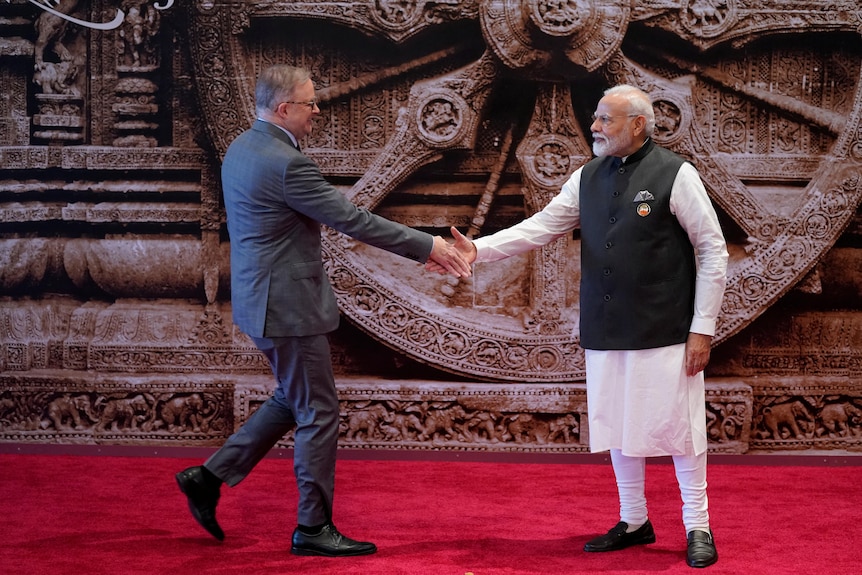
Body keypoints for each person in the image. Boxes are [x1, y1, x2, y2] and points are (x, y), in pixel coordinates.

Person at [175, 64, 472, 557]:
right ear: (283, 108)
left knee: (295, 399)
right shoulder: (287, 163)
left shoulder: (243, 148)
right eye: (310, 102)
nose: (318, 110)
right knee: (319, 409)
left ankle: (208, 477)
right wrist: (430, 247)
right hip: (288, 307)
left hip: (260, 300)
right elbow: (352, 220)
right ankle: (312, 529)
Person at [435, 84, 728, 569]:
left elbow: (712, 250)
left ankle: (698, 524)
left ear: (637, 124)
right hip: (605, 325)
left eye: (605, 119)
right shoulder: (586, 177)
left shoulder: (677, 174)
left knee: (681, 429)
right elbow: (541, 226)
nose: (594, 127)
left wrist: (704, 328)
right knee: (617, 423)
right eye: (596, 118)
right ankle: (634, 520)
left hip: (667, 327)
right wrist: (477, 249)